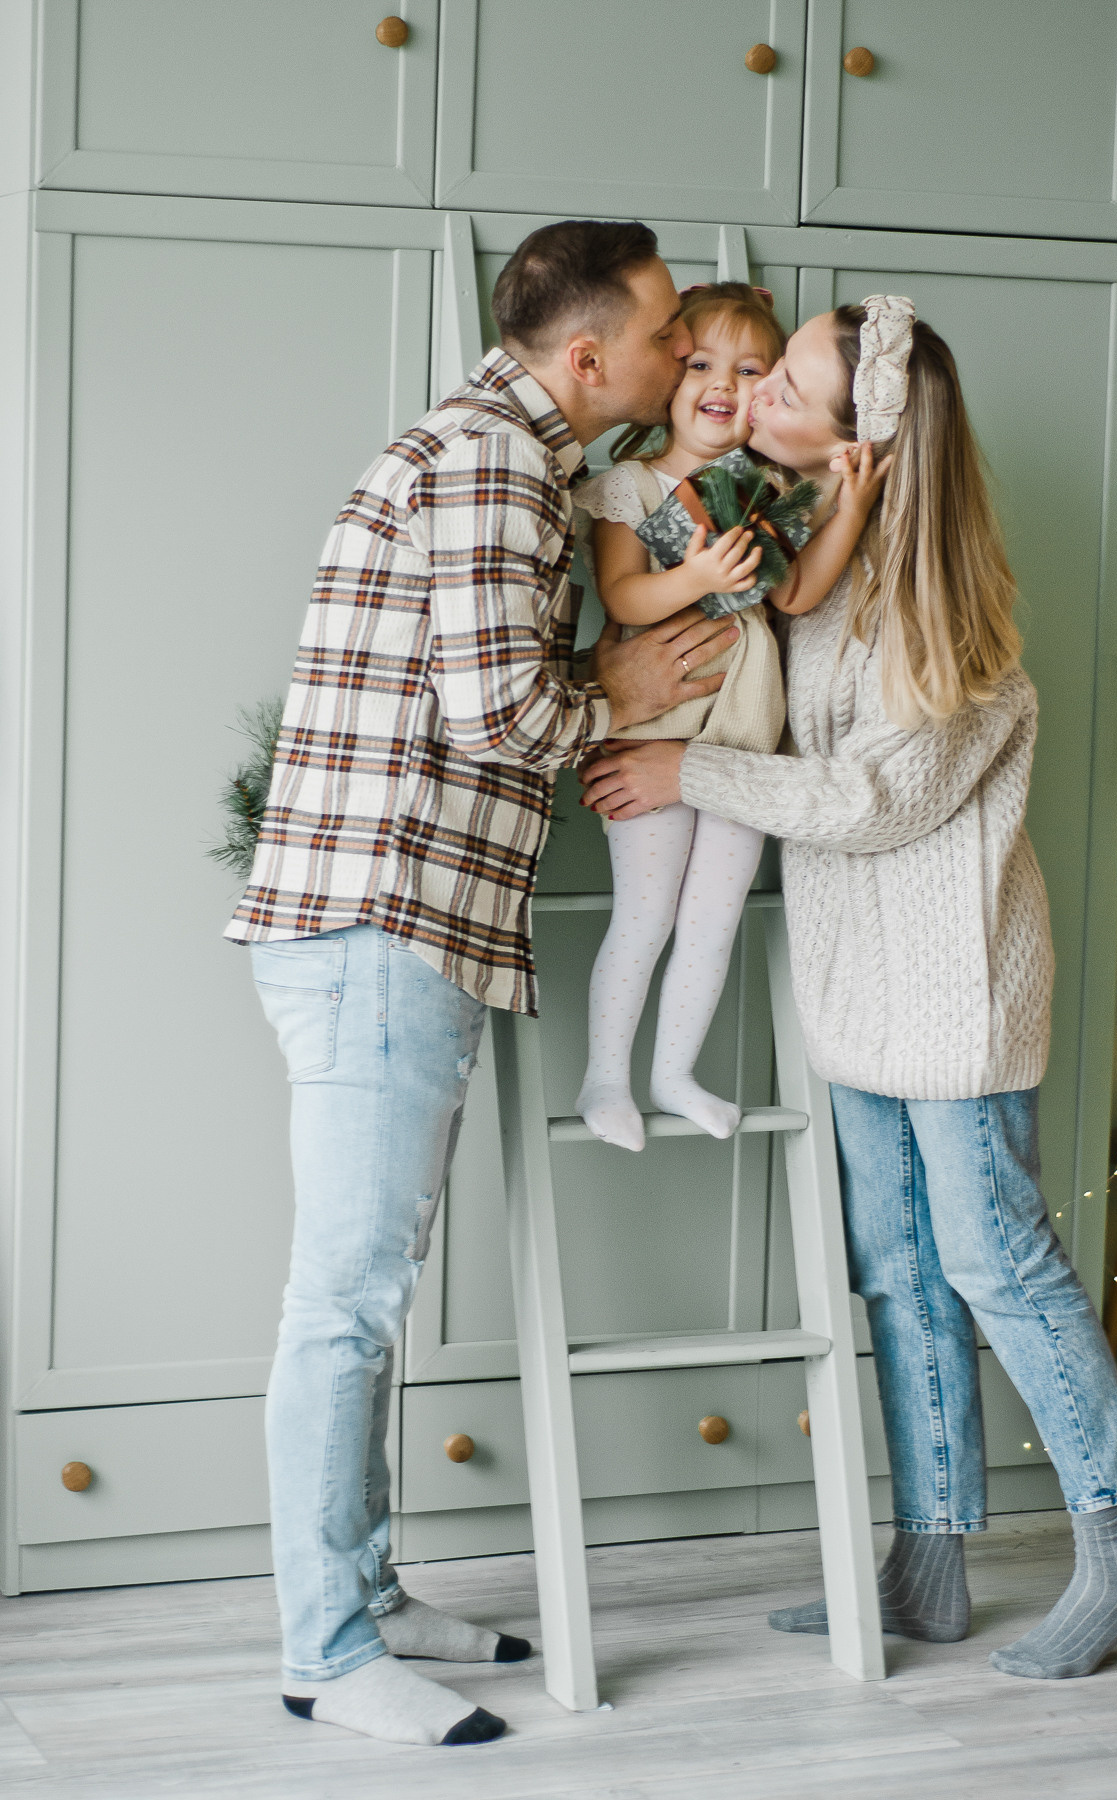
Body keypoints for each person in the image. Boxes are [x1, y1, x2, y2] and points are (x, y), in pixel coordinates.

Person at [579, 296, 1117, 1680]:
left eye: (788, 383)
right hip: (852, 985)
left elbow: (873, 796)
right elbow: (707, 644)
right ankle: (929, 1560)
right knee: (899, 1274)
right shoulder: (813, 565)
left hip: (955, 990)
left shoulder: (948, 621)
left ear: (871, 438)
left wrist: (690, 775)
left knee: (996, 1266)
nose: (754, 396)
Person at [225, 219, 742, 1748]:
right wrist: (627, 691)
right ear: (587, 359)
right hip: (383, 926)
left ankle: (369, 1599)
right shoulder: (491, 467)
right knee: (345, 1306)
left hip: (398, 928)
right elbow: (503, 714)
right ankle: (325, 1647)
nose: (675, 361)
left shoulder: (522, 462)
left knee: (361, 1303)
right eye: (661, 335)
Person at [572, 283, 888, 1151]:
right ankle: (607, 1076)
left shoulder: (761, 485)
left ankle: (675, 1073)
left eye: (752, 369)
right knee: (646, 918)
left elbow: (796, 591)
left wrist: (849, 507)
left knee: (712, 923)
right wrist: (699, 580)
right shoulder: (630, 486)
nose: (724, 381)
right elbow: (623, 595)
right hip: (660, 735)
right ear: (671, 381)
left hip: (745, 742)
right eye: (702, 364)